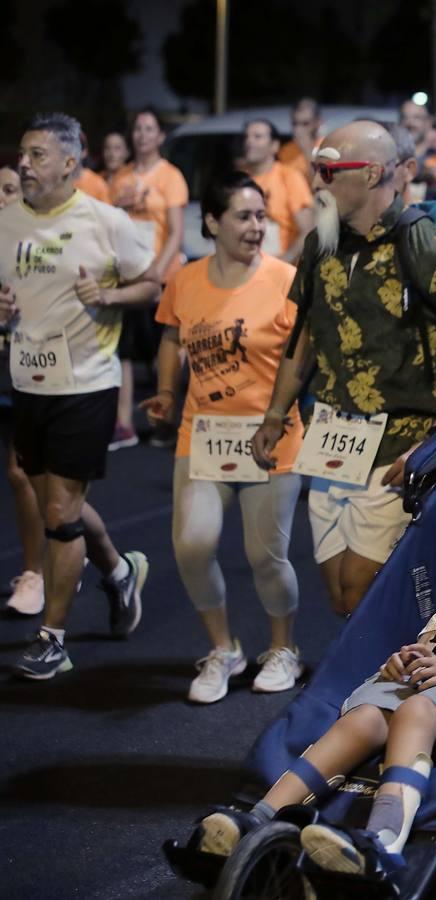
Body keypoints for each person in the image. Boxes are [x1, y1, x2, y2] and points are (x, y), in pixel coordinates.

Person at [190, 469, 436, 873]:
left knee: (416, 711)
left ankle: (383, 841)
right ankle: (259, 817)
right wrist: (406, 660)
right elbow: (430, 643)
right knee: (363, 717)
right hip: (433, 680)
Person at [250, 121, 436, 617]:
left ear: (369, 174)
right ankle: (370, 692)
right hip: (331, 448)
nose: (317, 182)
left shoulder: (426, 245)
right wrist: (275, 414)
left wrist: (433, 444)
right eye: (314, 170)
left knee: (361, 597)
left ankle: (395, 691)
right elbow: (303, 337)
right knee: (344, 604)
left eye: (327, 170)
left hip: (398, 454)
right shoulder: (319, 244)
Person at [0, 112, 160, 678]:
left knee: (60, 516)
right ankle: (118, 571)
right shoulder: (7, 221)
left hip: (87, 382)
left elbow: (152, 284)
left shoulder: (105, 220)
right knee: (55, 505)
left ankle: (53, 639)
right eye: (23, 153)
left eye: (37, 154)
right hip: (28, 380)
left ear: (70, 163)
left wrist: (111, 296)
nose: (24, 163)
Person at [140, 172, 306, 703]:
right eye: (243, 216)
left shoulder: (286, 279)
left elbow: (302, 357)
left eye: (262, 216)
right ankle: (224, 649)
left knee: (266, 557)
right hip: (203, 435)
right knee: (191, 545)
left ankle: (283, 649)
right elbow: (171, 335)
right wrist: (166, 391)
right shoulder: (185, 280)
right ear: (211, 222)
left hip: (270, 436)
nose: (256, 226)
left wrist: (278, 415)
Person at [108, 108, 189, 450]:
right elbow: (110, 226)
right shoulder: (120, 178)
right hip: (128, 277)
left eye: (149, 128)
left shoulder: (171, 176)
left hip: (161, 276)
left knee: (163, 353)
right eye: (138, 128)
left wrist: (158, 268)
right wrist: (120, 206)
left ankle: (165, 421)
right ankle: (123, 423)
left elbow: (176, 232)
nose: (142, 134)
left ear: (160, 136)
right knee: (124, 351)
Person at [0, 165, 44, 616]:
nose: (0, 198)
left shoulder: (38, 245)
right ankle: (110, 564)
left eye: (8, 190)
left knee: (23, 472)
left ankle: (37, 572)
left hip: (31, 367)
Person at [240, 119, 315, 264]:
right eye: (246, 136)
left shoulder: (289, 177)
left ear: (274, 146)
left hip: (281, 269)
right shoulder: (240, 180)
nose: (249, 142)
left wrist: (283, 263)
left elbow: (308, 231)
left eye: (257, 137)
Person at [278, 98, 322, 181]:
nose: (298, 129)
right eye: (295, 123)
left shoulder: (328, 145)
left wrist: (307, 151)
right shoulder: (286, 150)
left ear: (318, 122)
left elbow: (321, 182)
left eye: (305, 124)